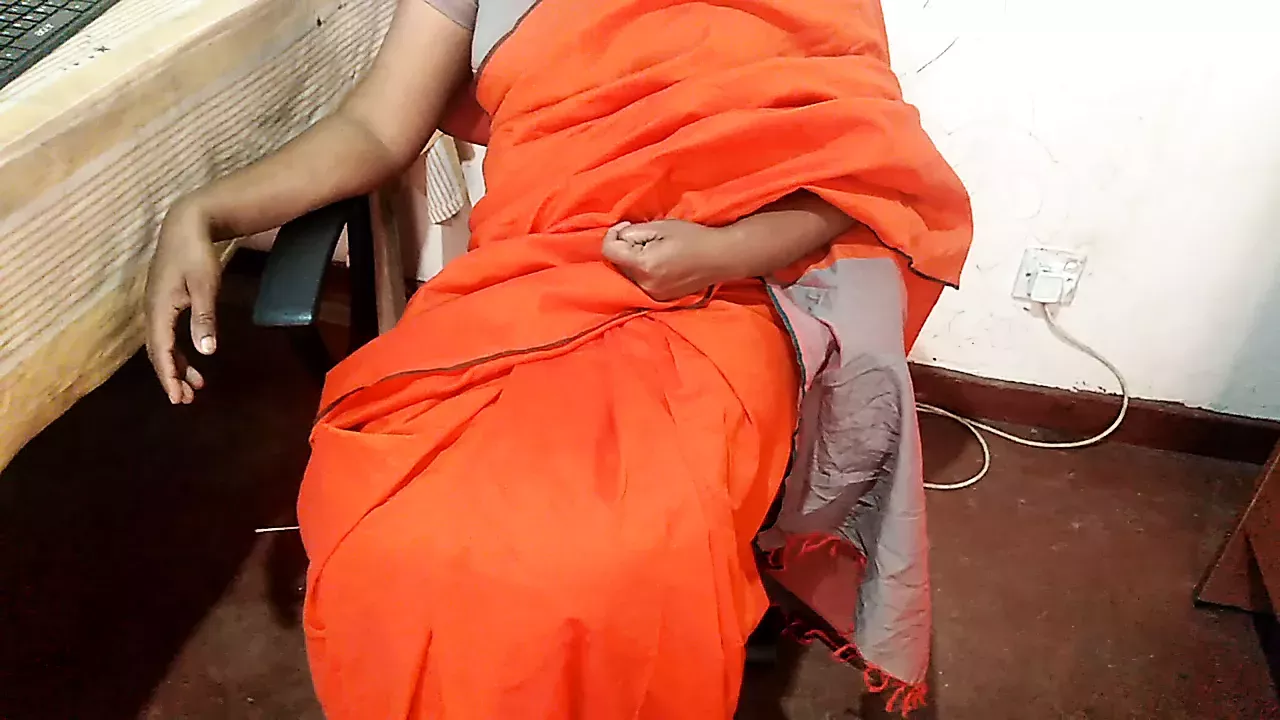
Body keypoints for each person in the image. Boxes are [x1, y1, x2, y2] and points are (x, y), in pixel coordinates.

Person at [144, 0, 972, 717]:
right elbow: (374, 127)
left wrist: (722, 251)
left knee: (615, 554)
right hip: (530, 278)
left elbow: (856, 164)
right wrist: (209, 209)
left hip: (729, 288)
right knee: (399, 538)